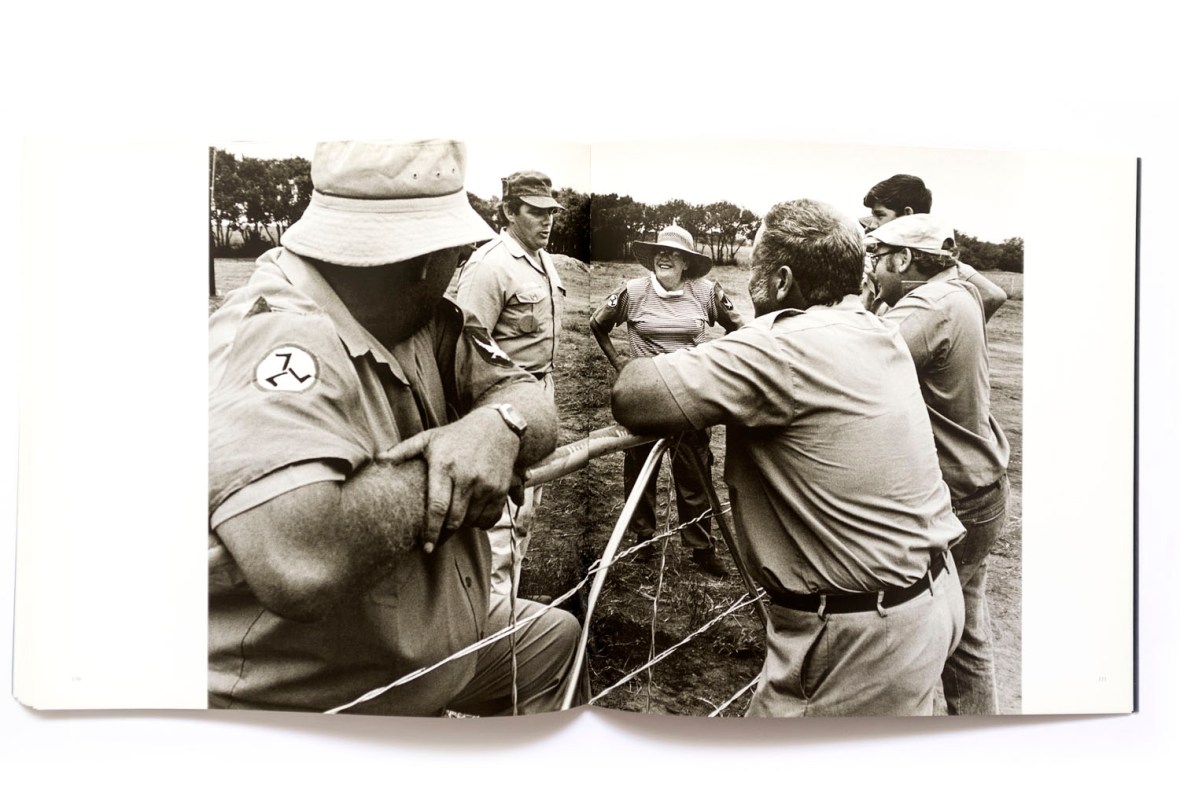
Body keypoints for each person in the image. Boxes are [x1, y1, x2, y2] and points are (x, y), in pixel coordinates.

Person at [208, 139, 581, 716]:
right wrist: (453, 473)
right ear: (424, 260)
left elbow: (526, 397)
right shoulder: (279, 335)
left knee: (553, 640)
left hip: (425, 650)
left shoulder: (419, 318)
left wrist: (497, 427)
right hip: (322, 694)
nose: (457, 266)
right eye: (456, 253)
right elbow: (301, 559)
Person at [611, 199, 966, 717]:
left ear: (780, 281)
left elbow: (634, 395)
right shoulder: (875, 327)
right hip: (925, 597)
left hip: (858, 637)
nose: (749, 282)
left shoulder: (781, 347)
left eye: (755, 269)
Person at [867, 213, 1012, 715]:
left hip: (957, 499)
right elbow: (993, 292)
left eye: (877, 257)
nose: (871, 268)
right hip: (982, 486)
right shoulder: (958, 291)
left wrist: (861, 301)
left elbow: (852, 362)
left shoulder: (926, 307)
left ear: (904, 259)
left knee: (919, 639)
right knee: (968, 634)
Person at [589, 225, 744, 577]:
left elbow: (738, 326)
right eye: (659, 251)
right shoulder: (632, 291)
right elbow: (598, 323)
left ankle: (701, 548)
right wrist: (622, 366)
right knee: (640, 467)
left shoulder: (706, 292)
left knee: (694, 471)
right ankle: (642, 540)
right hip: (644, 394)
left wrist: (712, 361)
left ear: (687, 262)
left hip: (689, 393)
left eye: (674, 253)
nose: (664, 257)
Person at [454, 171, 566, 598]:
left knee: (526, 507)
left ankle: (511, 602)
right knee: (498, 514)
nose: (547, 220)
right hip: (500, 400)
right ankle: (493, 611)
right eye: (535, 212)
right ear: (509, 212)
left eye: (551, 212)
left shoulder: (542, 259)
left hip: (539, 391)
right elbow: (466, 347)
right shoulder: (490, 265)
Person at [859, 174, 1006, 319]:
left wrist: (946, 324)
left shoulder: (937, 261)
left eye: (880, 215)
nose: (872, 224)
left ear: (908, 215)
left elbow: (993, 296)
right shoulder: (882, 253)